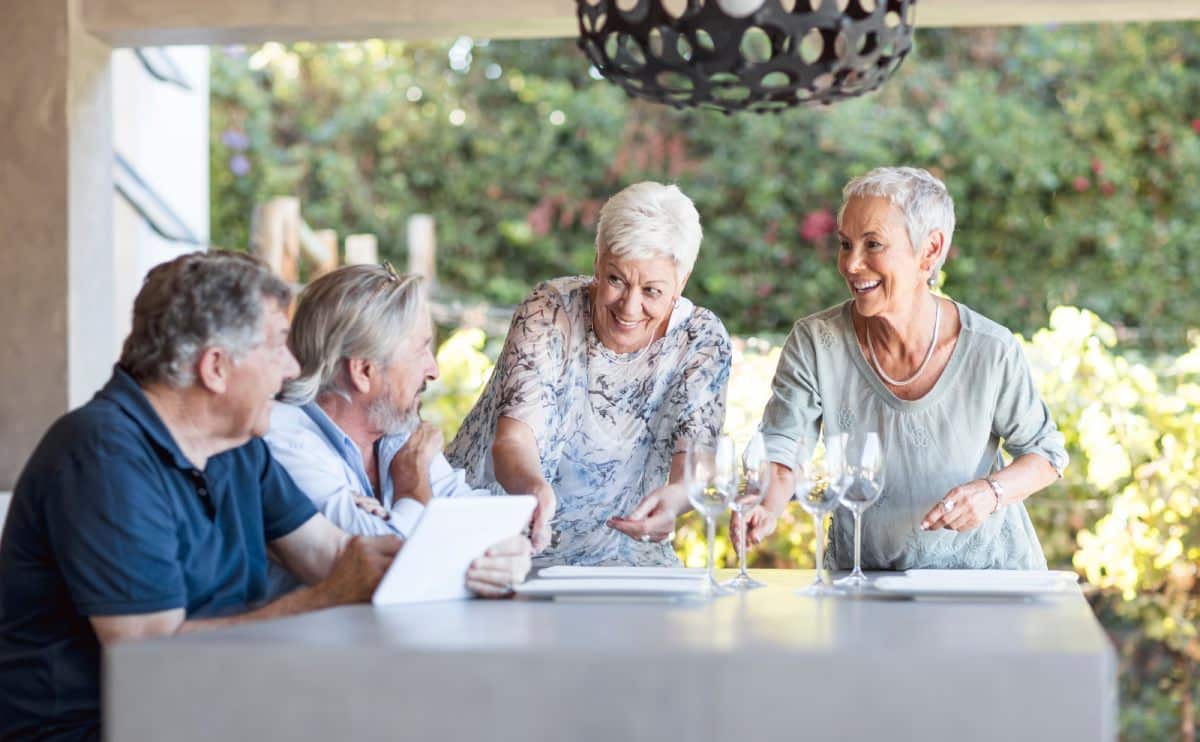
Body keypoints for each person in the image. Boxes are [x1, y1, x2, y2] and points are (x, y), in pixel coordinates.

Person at [0, 251, 528, 741]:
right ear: (215, 368)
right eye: (277, 345)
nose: (294, 369)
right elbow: (149, 657)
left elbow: (333, 555)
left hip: (213, 705)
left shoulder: (233, 447)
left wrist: (477, 558)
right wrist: (329, 595)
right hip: (102, 726)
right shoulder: (103, 455)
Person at [742, 167, 1068, 570]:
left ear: (929, 251)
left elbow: (1047, 454)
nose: (851, 264)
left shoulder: (990, 350)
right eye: (845, 244)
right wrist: (767, 504)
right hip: (865, 582)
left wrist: (990, 492)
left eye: (873, 244)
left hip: (985, 584)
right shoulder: (816, 342)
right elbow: (784, 443)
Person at [446, 181, 732, 566]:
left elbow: (695, 466)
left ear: (682, 280)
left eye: (652, 290)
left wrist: (677, 500)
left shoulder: (701, 339)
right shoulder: (549, 311)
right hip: (501, 537)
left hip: (619, 550)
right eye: (616, 279)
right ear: (597, 260)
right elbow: (513, 441)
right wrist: (534, 490)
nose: (629, 308)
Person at [263, 263, 500, 597]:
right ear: (364, 371)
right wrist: (412, 481)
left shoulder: (395, 428)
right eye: (421, 350)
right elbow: (390, 569)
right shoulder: (283, 439)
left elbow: (485, 520)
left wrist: (506, 555)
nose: (433, 370)